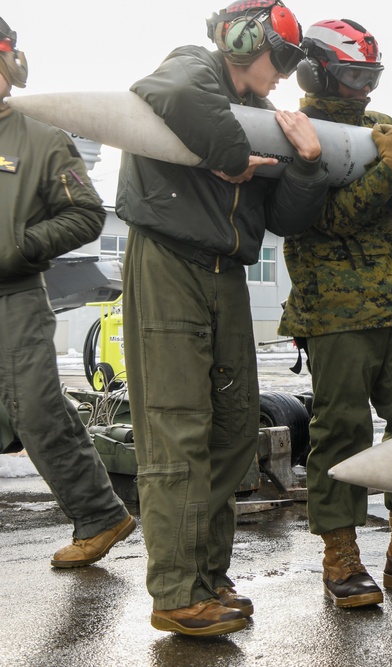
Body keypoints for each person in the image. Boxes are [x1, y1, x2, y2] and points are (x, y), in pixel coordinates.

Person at [117, 0, 328, 637]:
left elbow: (286, 218)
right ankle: (177, 592)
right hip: (170, 262)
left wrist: (308, 166)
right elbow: (173, 92)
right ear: (242, 39)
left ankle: (208, 576)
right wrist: (235, 154)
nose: (287, 74)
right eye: (283, 57)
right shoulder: (191, 69)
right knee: (177, 427)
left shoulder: (265, 118)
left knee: (232, 430)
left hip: (225, 273)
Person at [279, 18, 392, 609]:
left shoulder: (373, 129)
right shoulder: (292, 131)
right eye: (354, 75)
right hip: (334, 312)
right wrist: (387, 170)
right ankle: (341, 558)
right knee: (342, 433)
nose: (364, 89)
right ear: (318, 70)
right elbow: (324, 219)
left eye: (371, 76)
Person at [0, 15, 136, 571]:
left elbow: (84, 214)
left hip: (13, 296)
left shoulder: (40, 140)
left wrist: (20, 245)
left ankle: (100, 514)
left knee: (34, 409)